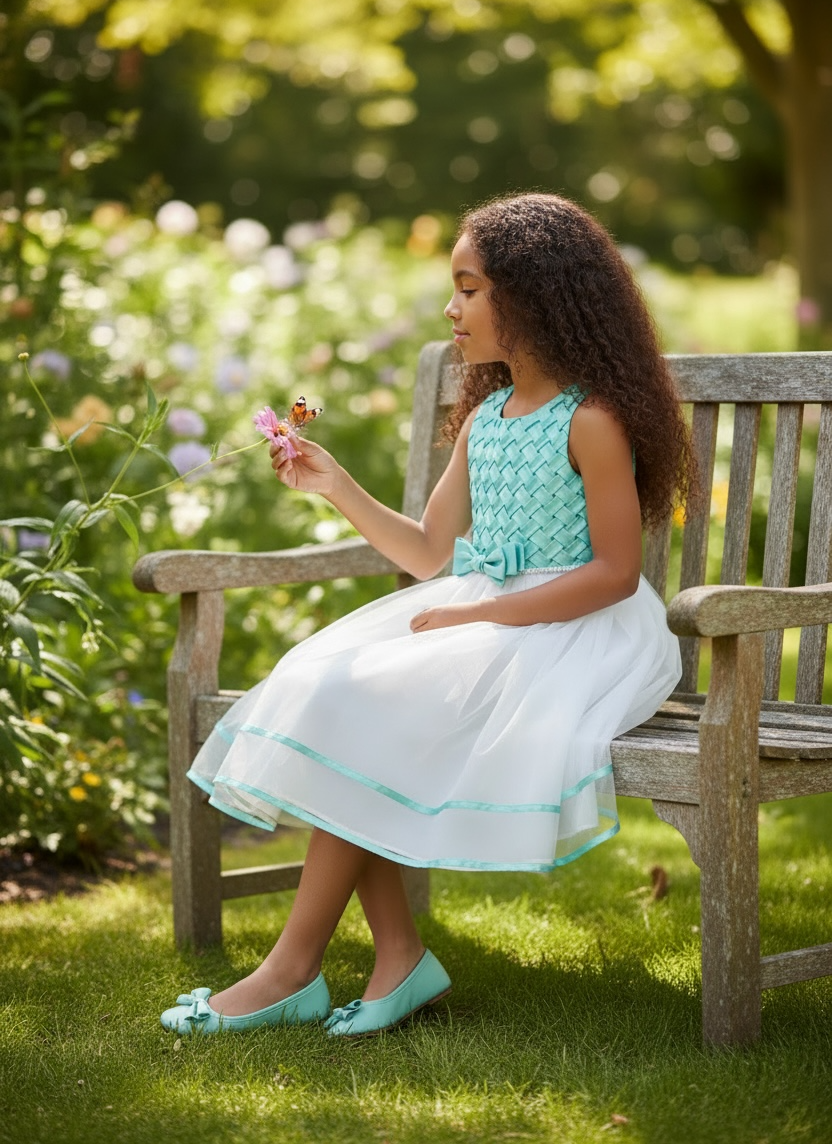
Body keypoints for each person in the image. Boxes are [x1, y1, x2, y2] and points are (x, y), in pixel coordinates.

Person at [161, 192, 694, 1038]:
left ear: (537, 296)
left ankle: (291, 972)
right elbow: (428, 554)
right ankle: (394, 956)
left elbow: (615, 574)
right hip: (486, 613)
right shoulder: (487, 416)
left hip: (577, 629)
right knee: (329, 684)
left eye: (470, 288)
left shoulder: (592, 421)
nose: (452, 308)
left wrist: (482, 622)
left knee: (367, 702)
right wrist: (335, 486)